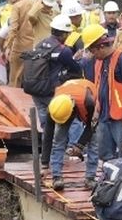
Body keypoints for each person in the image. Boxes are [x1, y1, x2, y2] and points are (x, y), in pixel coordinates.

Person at [80, 22, 122, 188]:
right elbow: (100, 86)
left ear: (101, 46)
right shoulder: (99, 62)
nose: (92, 54)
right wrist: (97, 108)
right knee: (105, 152)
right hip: (105, 114)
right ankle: (111, 182)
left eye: (92, 50)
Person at [31, 14, 83, 168]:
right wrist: (78, 59)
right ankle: (70, 150)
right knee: (70, 119)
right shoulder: (64, 50)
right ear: (65, 34)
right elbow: (77, 71)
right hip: (53, 92)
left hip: (36, 92)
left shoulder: (39, 45)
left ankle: (46, 158)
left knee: (46, 125)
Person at [46, 78, 97, 191]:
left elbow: (91, 127)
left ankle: (90, 177)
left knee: (93, 142)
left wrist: (80, 145)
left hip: (87, 105)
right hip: (67, 105)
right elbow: (48, 134)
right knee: (58, 141)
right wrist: (44, 164)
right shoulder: (55, 105)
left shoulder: (89, 102)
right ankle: (56, 177)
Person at [7, 0, 57, 87]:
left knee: (15, 81)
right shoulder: (38, 4)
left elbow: (13, 29)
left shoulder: (18, 6)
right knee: (32, 81)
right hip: (35, 48)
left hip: (19, 48)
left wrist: (8, 46)